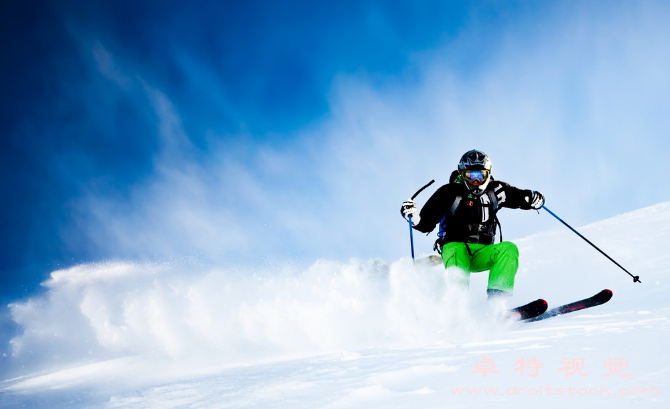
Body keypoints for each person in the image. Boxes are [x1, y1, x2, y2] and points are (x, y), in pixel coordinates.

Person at [400, 149, 544, 299]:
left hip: (482, 251)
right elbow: (425, 224)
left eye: (481, 175)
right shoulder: (449, 192)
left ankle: (497, 303)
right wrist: (414, 218)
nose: (476, 181)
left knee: (508, 249)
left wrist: (534, 199)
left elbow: (520, 197)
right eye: (470, 176)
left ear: (489, 174)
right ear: (462, 174)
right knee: (458, 266)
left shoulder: (496, 190)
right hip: (455, 248)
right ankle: (451, 305)